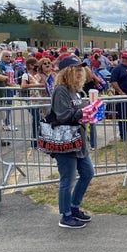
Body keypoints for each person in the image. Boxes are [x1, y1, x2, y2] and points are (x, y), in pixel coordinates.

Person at [50, 56, 94, 229]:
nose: (79, 73)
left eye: (80, 70)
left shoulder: (74, 91)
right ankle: (65, 215)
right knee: (67, 179)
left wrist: (90, 110)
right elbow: (63, 115)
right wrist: (85, 111)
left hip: (78, 140)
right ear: (67, 72)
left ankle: (74, 207)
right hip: (65, 141)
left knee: (88, 172)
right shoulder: (61, 90)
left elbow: (76, 112)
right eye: (75, 69)